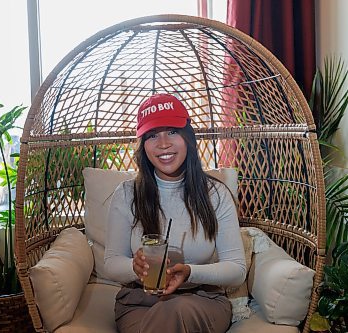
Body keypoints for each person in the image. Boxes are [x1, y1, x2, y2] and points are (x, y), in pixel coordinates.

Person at [104, 93, 246, 333]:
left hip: (202, 300)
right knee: (164, 317)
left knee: (176, 310)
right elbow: (111, 262)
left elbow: (236, 270)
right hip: (140, 302)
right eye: (152, 135)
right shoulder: (127, 194)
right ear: (143, 146)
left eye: (172, 131)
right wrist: (135, 267)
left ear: (188, 138)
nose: (163, 144)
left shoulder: (216, 194)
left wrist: (191, 272)